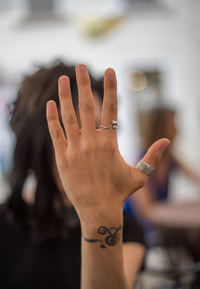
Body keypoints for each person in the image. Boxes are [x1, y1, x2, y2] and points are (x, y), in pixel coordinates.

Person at [0, 61, 169, 289]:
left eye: (97, 129)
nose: (89, 148)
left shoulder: (123, 229)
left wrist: (99, 219)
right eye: (73, 129)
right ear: (35, 140)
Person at [124, 107, 200, 243]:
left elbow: (195, 177)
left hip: (157, 227)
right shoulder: (141, 162)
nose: (177, 130)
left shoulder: (170, 159)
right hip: (137, 232)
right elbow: (146, 212)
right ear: (160, 128)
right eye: (173, 124)